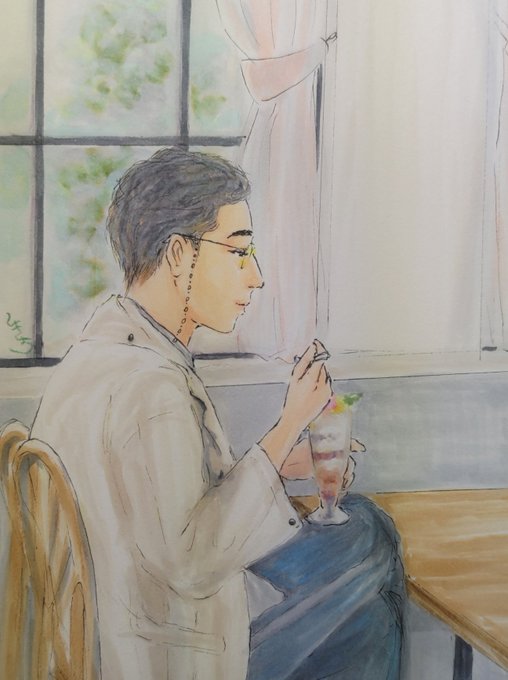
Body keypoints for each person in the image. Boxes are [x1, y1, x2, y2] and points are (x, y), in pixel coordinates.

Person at [32, 147, 405, 679]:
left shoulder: (99, 357)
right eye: (238, 252)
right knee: (370, 555)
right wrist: (287, 426)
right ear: (178, 254)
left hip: (119, 632)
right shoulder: (151, 387)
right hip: (166, 656)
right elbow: (193, 560)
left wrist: (279, 465)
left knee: (363, 540)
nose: (255, 277)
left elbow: (163, 505)